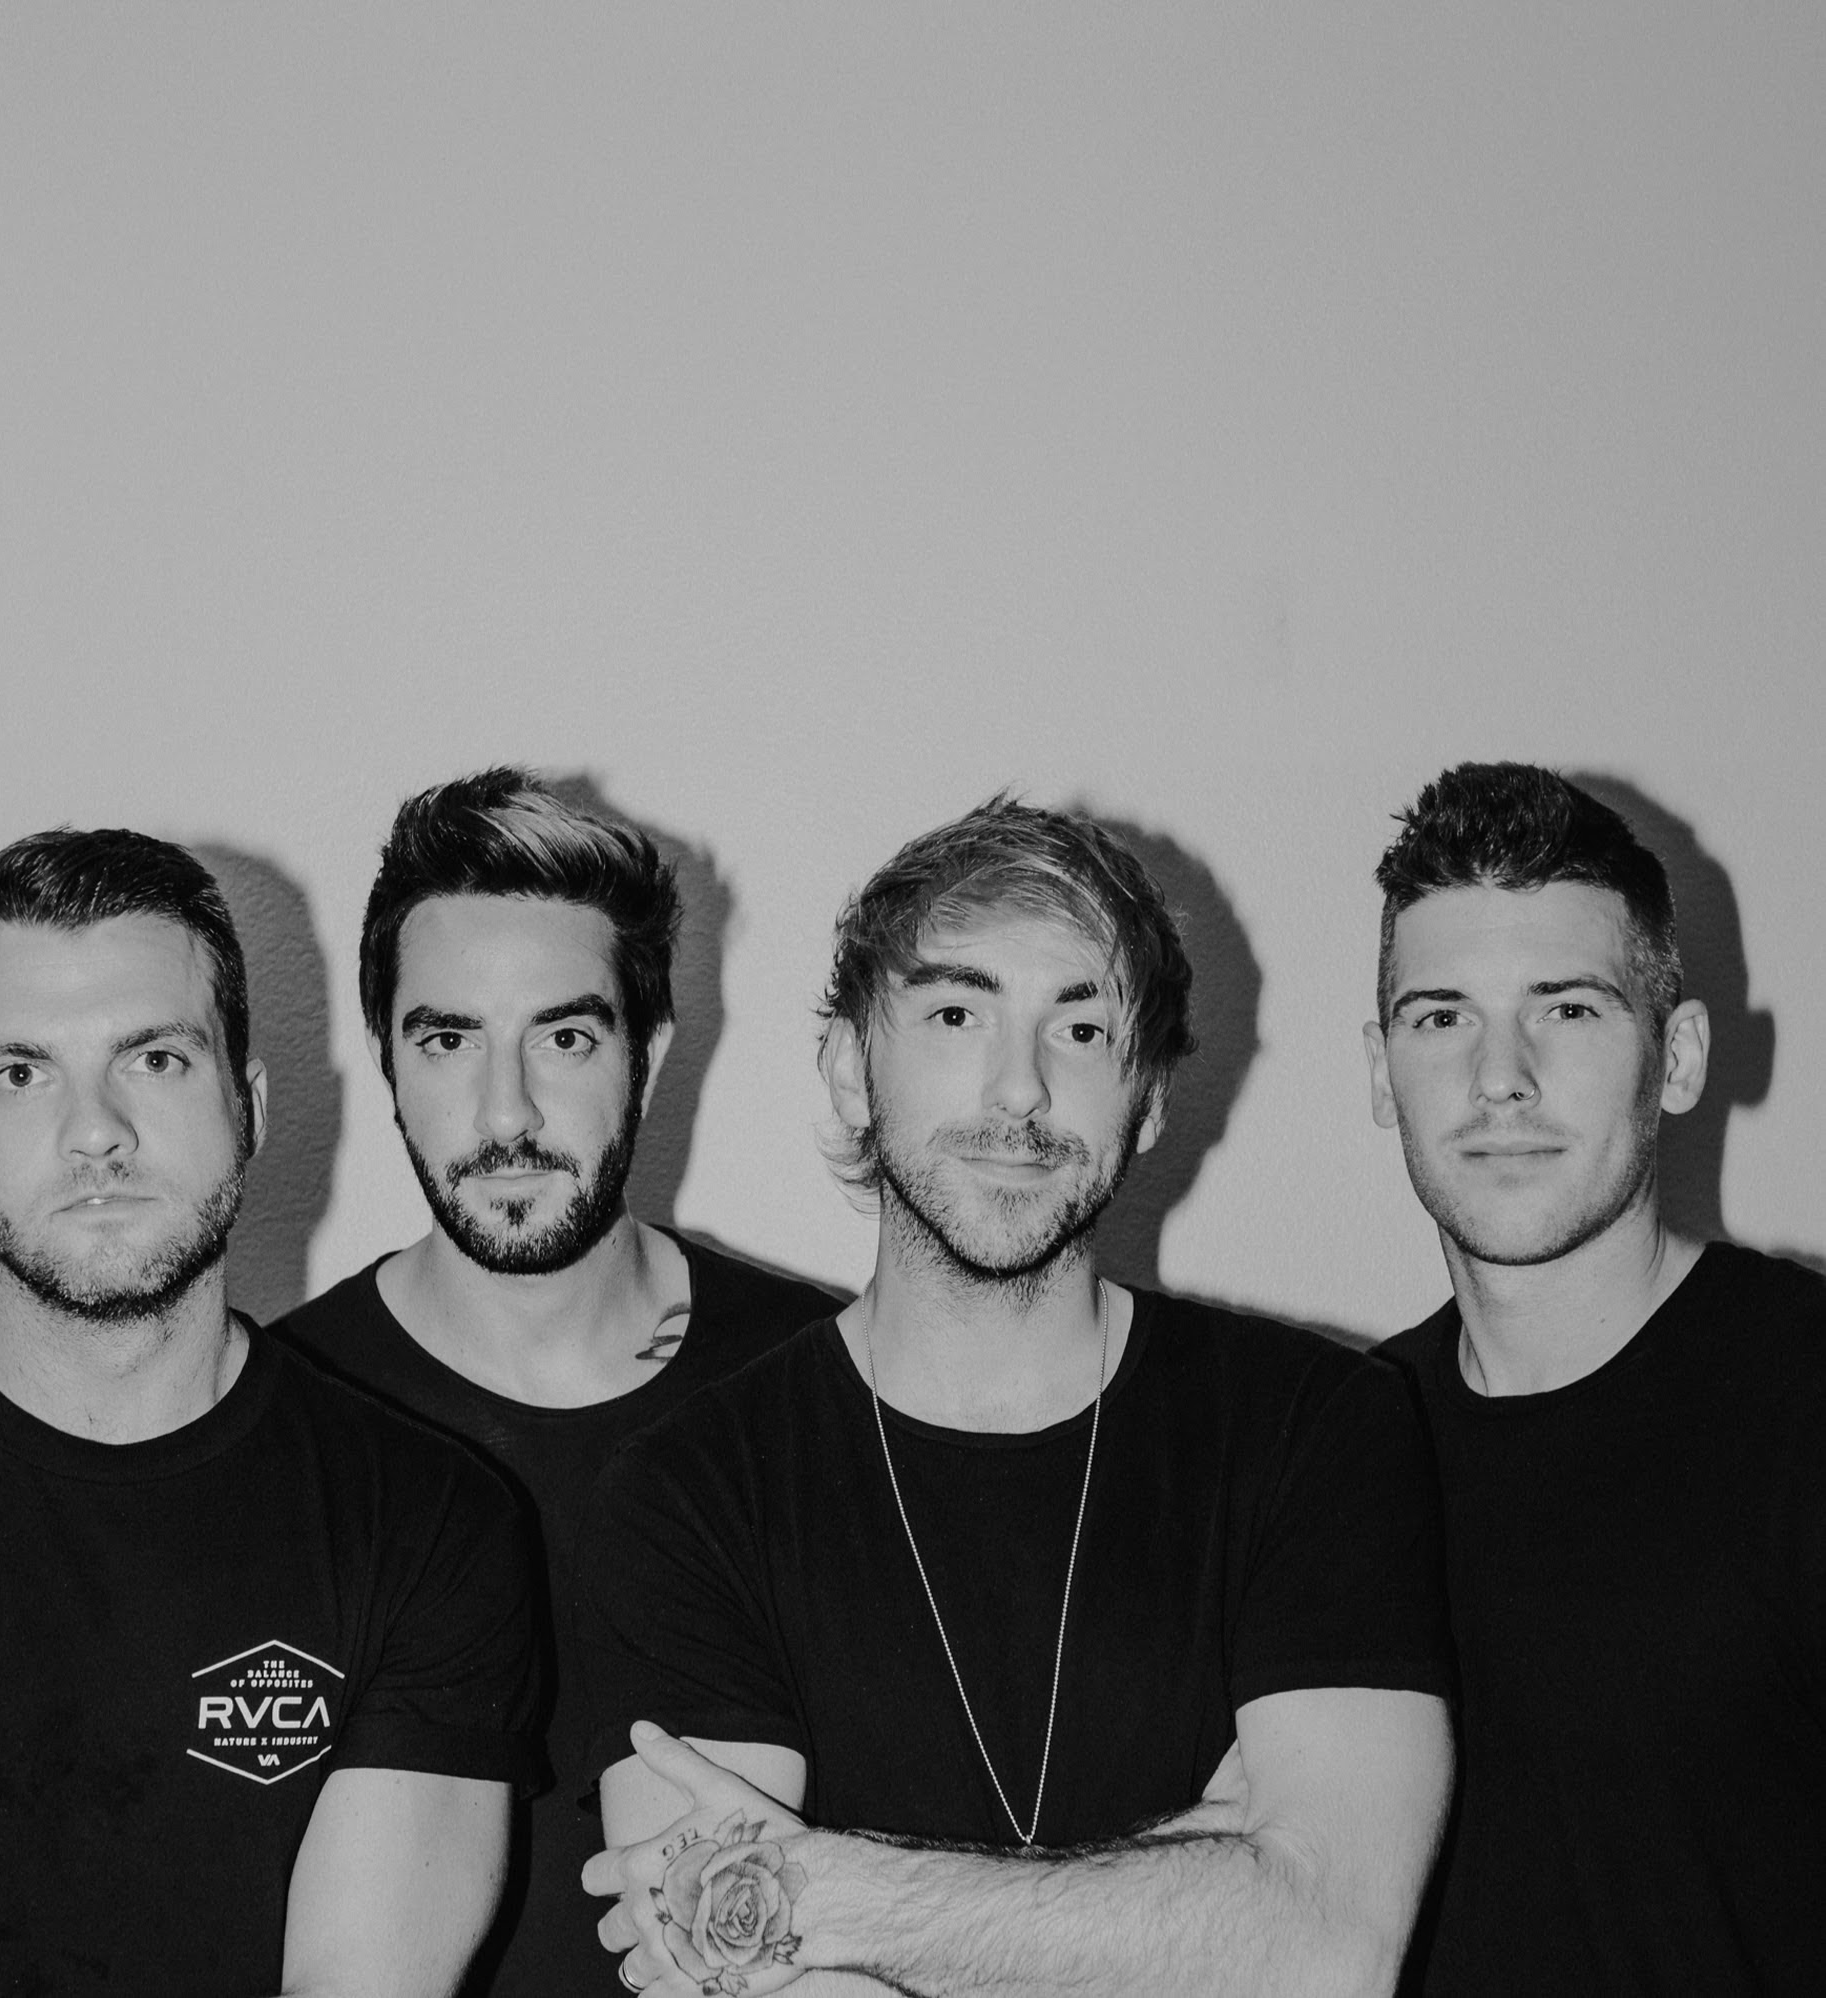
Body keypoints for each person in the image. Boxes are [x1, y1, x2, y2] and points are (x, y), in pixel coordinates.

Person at [579, 797, 1454, 1997]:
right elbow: (734, 1974)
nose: (1021, 1090)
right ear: (851, 1071)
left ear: (1147, 1097)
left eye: (1080, 1029)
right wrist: (1199, 1882)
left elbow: (1326, 1950)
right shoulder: (686, 1492)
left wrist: (837, 1892)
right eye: (956, 1014)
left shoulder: (1320, 1427)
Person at [0, 827, 541, 1998]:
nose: (93, 1130)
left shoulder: (426, 1523)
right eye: (20, 1074)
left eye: (153, 1058)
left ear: (246, 1103)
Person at [275, 768, 838, 1997]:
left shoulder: (826, 1387)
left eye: (565, 1037)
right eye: (448, 1040)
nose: (506, 1111)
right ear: (385, 1061)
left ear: (650, 1055)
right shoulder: (281, 1417)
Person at [1364, 761, 1826, 1995]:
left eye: (1565, 1009)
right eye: (1439, 1017)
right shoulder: (1339, 1447)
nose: (1497, 1076)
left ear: (1675, 1057)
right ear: (1378, 1071)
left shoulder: (1802, 1396)